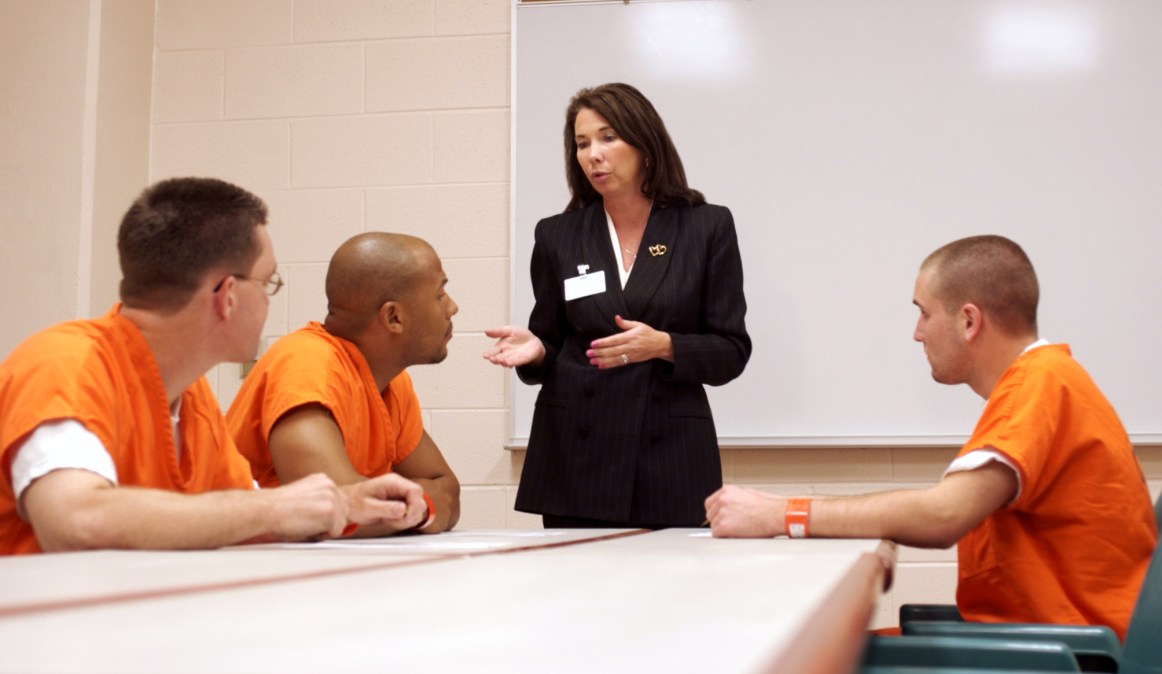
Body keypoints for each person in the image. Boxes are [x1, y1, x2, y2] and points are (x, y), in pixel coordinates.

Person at [705, 235, 1157, 639]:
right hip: (1046, 639)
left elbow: (943, 515)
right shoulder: (1047, 379)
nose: (917, 333)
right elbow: (947, 503)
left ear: (968, 321)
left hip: (1066, 654)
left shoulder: (1038, 384)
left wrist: (783, 514)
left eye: (924, 313)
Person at [0, 177, 428, 555]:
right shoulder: (65, 364)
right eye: (268, 283)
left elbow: (239, 514)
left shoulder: (193, 399)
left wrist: (347, 504)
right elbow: (77, 521)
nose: (268, 302)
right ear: (227, 296)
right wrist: (273, 508)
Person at [484, 82, 751, 528]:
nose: (593, 154)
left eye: (608, 138)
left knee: (674, 591)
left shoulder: (705, 226)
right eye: (582, 143)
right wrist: (537, 349)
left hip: (668, 453)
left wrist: (663, 345)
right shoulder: (558, 235)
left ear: (645, 143)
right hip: (577, 451)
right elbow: (550, 339)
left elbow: (731, 350)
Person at [227, 232, 461, 535]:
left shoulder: (392, 381)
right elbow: (333, 512)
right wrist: (423, 507)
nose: (452, 307)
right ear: (393, 317)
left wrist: (413, 507)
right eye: (440, 294)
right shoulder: (307, 363)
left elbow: (449, 490)